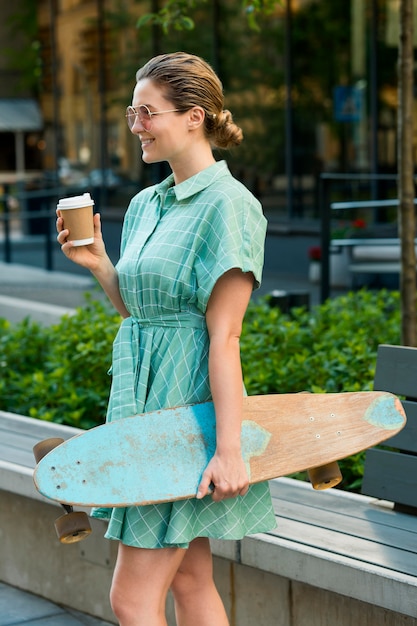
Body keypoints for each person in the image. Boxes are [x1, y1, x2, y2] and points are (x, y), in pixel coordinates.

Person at [57, 51, 276, 626]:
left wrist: (229, 450)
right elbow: (140, 312)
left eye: (147, 113)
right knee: (190, 578)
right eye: (132, 112)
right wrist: (102, 264)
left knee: (131, 599)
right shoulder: (145, 204)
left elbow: (223, 338)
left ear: (194, 117)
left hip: (184, 419)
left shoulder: (230, 207)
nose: (136, 126)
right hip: (141, 406)